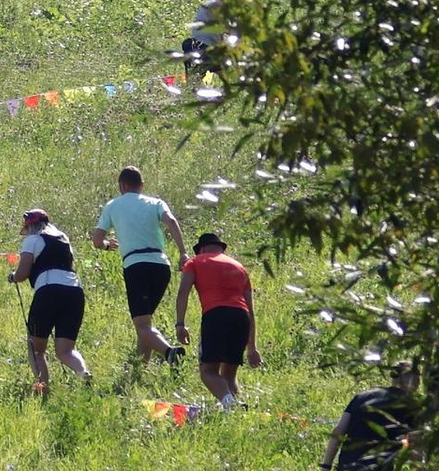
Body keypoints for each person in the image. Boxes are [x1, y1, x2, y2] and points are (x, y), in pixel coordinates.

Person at [91, 166, 187, 362]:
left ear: (121, 186)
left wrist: (107, 245)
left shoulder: (113, 205)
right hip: (161, 266)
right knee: (145, 322)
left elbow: (97, 239)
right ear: (142, 185)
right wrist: (183, 253)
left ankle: (170, 353)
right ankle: (140, 366)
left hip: (136, 266)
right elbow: (171, 221)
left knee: (142, 324)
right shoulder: (155, 203)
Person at [174, 229, 259, 409]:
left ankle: (230, 405)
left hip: (216, 315)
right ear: (221, 249)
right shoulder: (239, 267)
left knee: (208, 371)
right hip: (241, 318)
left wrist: (180, 324)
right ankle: (238, 413)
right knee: (229, 375)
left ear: (202, 249)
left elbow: (183, 292)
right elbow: (251, 310)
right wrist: (252, 347)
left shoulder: (194, 262)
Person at [13, 206, 89, 389]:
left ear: (30, 226)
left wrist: (12, 277)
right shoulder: (64, 239)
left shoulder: (32, 239)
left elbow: (22, 273)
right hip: (74, 291)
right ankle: (83, 373)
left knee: (36, 348)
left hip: (48, 291)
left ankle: (43, 386)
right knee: (66, 351)